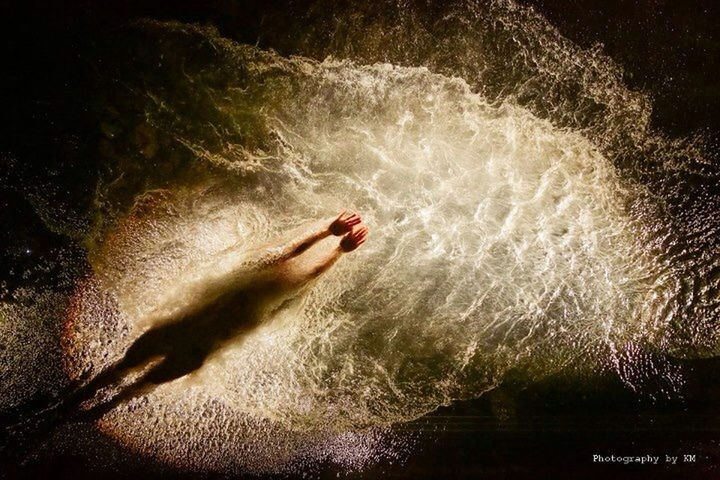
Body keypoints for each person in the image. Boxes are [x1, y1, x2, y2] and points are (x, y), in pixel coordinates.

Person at [58, 211, 368, 420]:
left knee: (133, 378)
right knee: (128, 368)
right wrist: (331, 235)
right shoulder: (251, 276)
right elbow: (293, 252)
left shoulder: (271, 293)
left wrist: (337, 246)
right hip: (186, 337)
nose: (289, 266)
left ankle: (93, 407)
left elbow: (308, 268)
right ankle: (82, 403)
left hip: (191, 345)